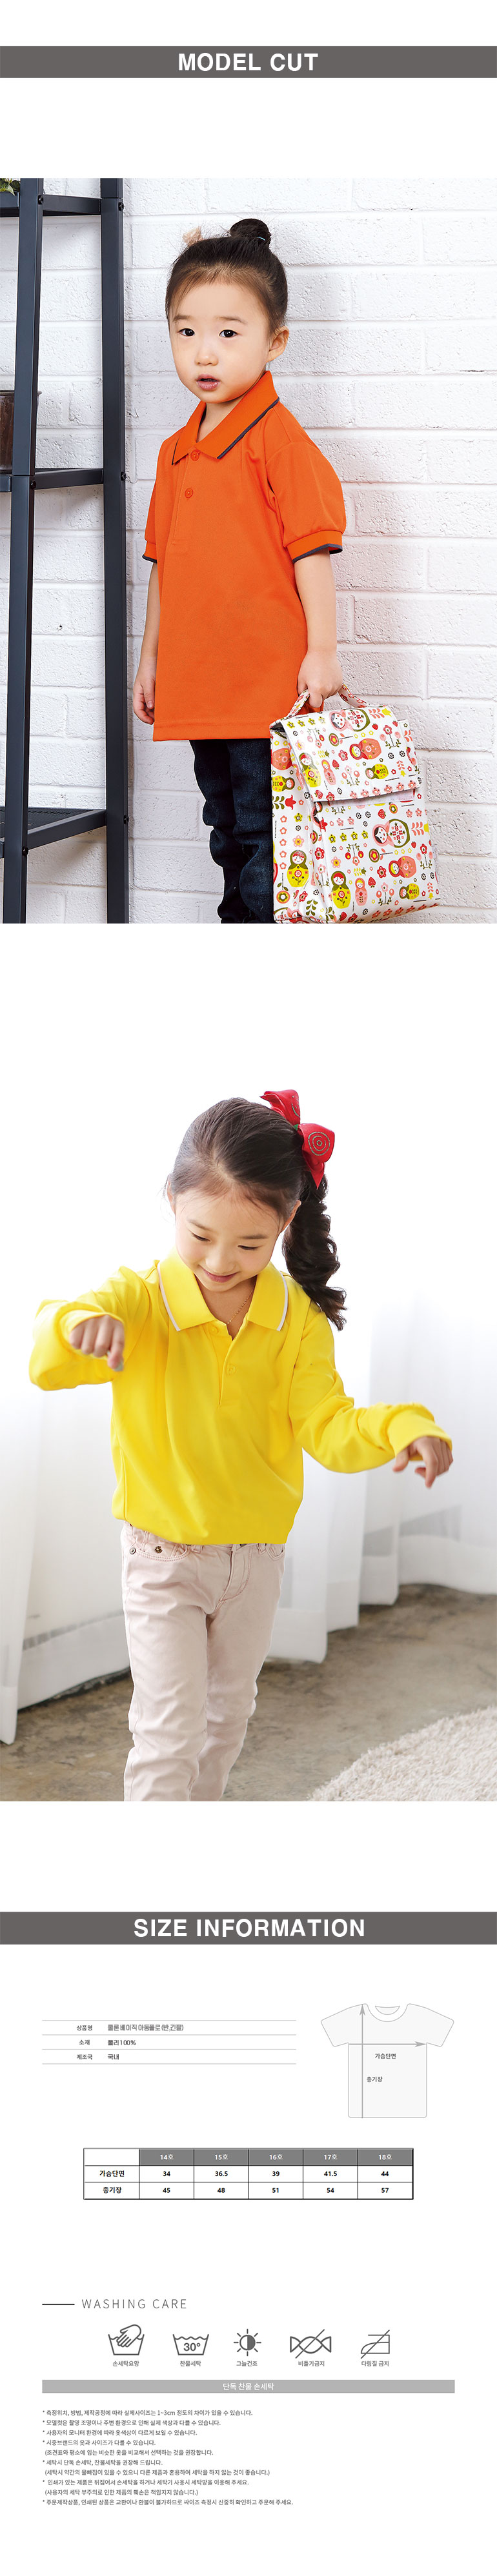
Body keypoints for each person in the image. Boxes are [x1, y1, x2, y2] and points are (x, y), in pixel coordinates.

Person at [29, 1093, 452, 1803]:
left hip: (255, 1561)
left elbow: (327, 1425)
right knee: (169, 1732)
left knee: (226, 1721)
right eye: (200, 1236)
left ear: (286, 1222)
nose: (221, 1261)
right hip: (163, 1559)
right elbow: (47, 1358)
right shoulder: (136, 1300)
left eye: (250, 1245)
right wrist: (77, 1328)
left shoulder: (297, 1321)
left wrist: (400, 1427)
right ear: (171, 1202)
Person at [132, 218, 347, 922]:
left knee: (266, 833)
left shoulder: (278, 442)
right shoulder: (174, 451)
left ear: (273, 342)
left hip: (268, 686)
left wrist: (322, 651)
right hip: (200, 679)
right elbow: (164, 564)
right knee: (225, 828)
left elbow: (310, 551)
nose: (204, 351)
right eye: (186, 331)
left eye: (228, 332)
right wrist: (151, 659)